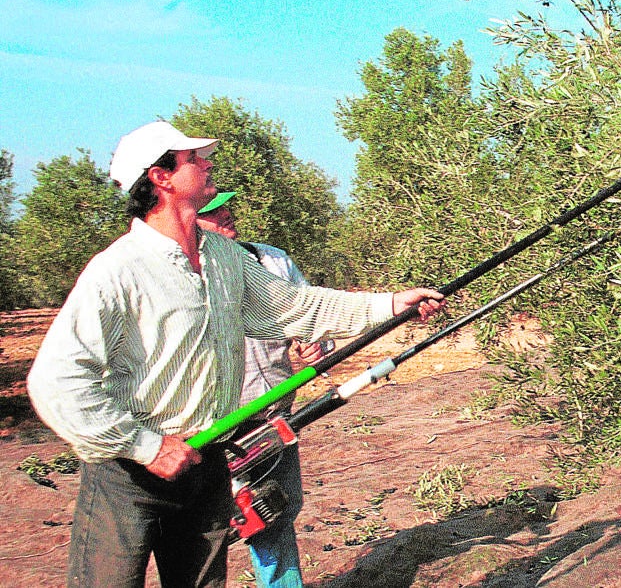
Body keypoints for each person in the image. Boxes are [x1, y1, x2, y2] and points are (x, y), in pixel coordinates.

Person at [26, 120, 444, 588]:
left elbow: (296, 307)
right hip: (128, 475)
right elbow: (56, 381)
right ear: (161, 178)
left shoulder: (225, 258)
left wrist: (390, 304)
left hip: (206, 466)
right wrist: (145, 447)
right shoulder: (117, 270)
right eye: (192, 159)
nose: (207, 164)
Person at [195, 190, 323, 587]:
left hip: (275, 415)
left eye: (225, 207)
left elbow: (311, 316)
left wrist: (315, 342)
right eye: (212, 212)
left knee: (275, 507)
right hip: (218, 425)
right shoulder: (184, 275)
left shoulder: (272, 261)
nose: (225, 215)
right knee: (214, 526)